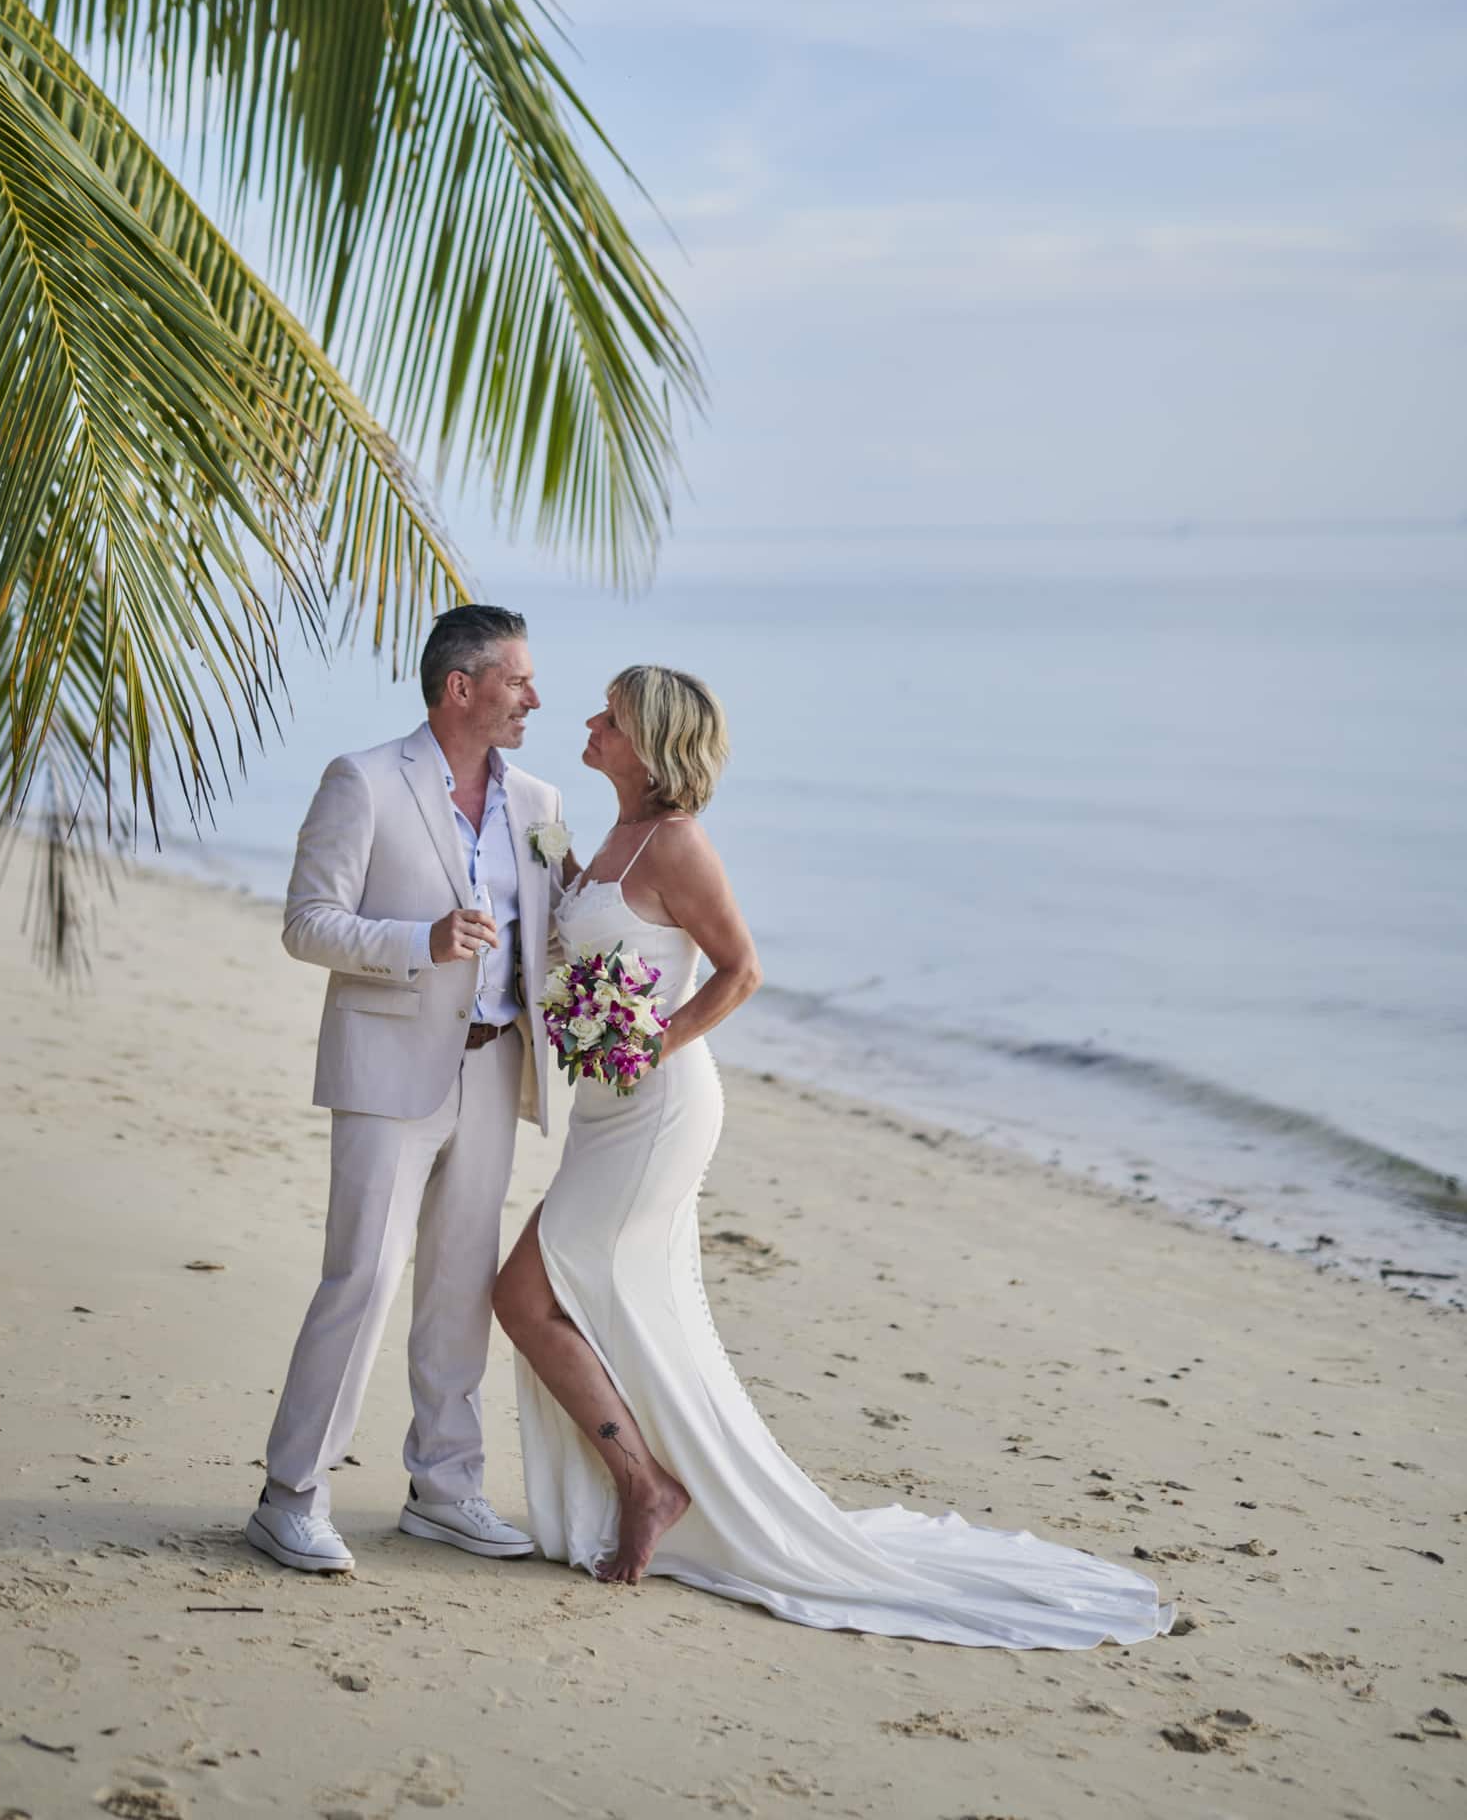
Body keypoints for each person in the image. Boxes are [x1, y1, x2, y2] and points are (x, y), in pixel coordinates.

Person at [494, 663, 1173, 1648]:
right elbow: (591, 946)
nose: (591, 721)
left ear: (649, 740)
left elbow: (742, 971)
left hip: (658, 1109)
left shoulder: (678, 842)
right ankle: (644, 1481)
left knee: (527, 1294)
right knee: (605, 1301)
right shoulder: (609, 835)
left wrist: (651, 1044)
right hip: (605, 1110)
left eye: (612, 714)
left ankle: (646, 1486)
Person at [247, 604, 567, 1575]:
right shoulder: (364, 781)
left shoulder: (541, 803)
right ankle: (290, 1494)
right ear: (460, 687)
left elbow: (554, 925)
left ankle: (445, 1485)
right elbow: (307, 923)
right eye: (518, 679)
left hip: (495, 1063)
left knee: (459, 1285)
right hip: (388, 1070)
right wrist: (415, 943)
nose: (534, 696)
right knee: (366, 1276)